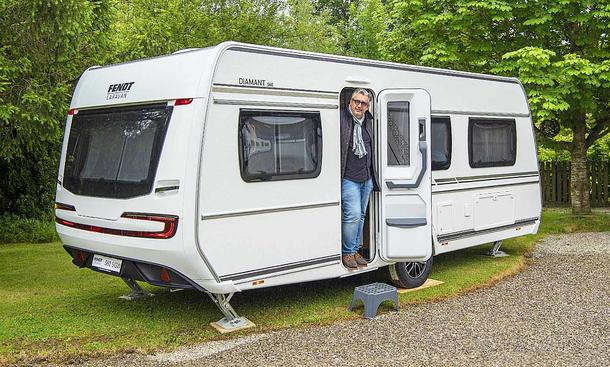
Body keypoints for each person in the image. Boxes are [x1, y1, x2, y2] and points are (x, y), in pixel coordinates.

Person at [340, 89, 379, 269]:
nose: (359, 105)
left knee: (361, 215)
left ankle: (355, 250)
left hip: (366, 178)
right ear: (350, 102)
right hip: (349, 178)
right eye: (356, 101)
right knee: (353, 215)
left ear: (367, 106)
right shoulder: (342, 120)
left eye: (363, 103)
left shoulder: (368, 122)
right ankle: (347, 252)